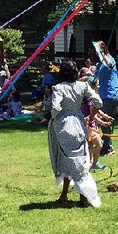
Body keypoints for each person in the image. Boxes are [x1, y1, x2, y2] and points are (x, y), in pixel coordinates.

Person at [48, 60, 109, 207]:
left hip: (63, 125)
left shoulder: (58, 88)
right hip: (79, 124)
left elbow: (55, 107)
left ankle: (70, 196)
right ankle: (80, 197)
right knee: (79, 160)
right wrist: (92, 116)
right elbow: (98, 102)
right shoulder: (83, 86)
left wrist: (54, 117)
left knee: (66, 159)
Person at [95, 41, 118, 157]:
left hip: (110, 95)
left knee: (105, 121)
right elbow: (95, 79)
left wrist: (103, 55)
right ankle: (106, 145)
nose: (96, 52)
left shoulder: (109, 59)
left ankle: (108, 147)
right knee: (104, 120)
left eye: (98, 50)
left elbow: (110, 64)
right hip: (103, 95)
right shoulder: (99, 64)